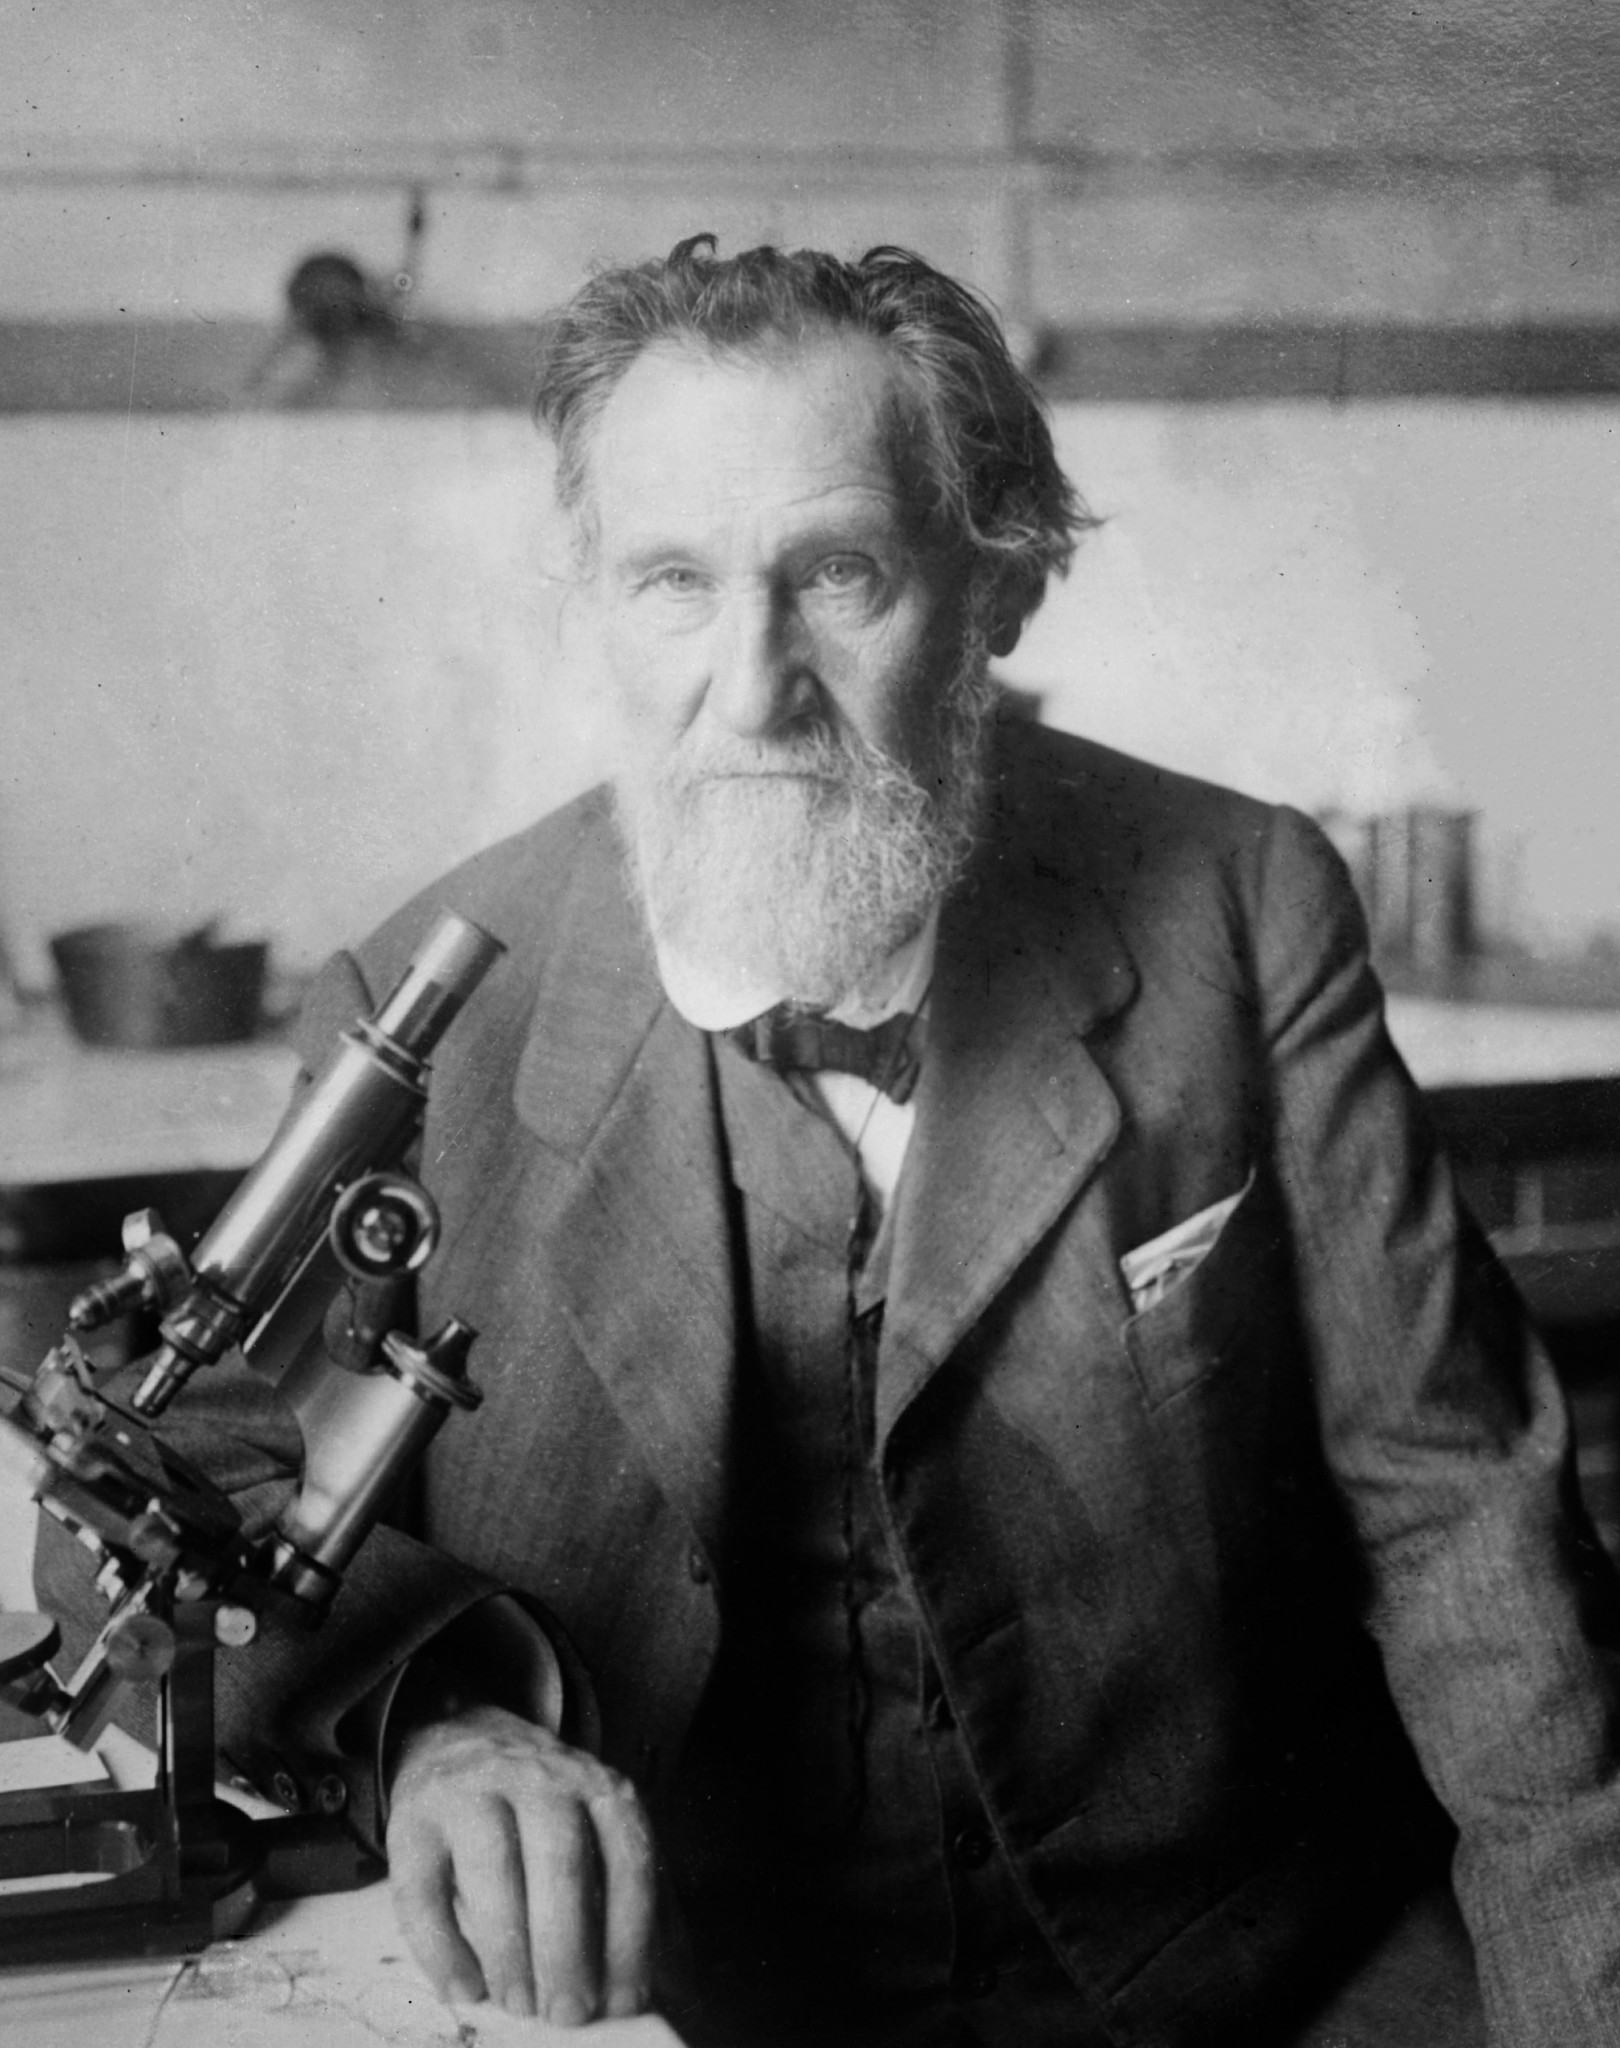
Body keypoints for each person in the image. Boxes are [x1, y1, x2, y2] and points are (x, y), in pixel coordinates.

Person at [36, 235, 1620, 2048]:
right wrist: (433, 1721)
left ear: (998, 586)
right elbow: (129, 1530)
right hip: (687, 2010)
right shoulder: (418, 1011)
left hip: (1245, 1978)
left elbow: (1467, 1531)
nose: (753, 683)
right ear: (590, 603)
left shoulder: (1240, 908)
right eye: (672, 583)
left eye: (839, 574)